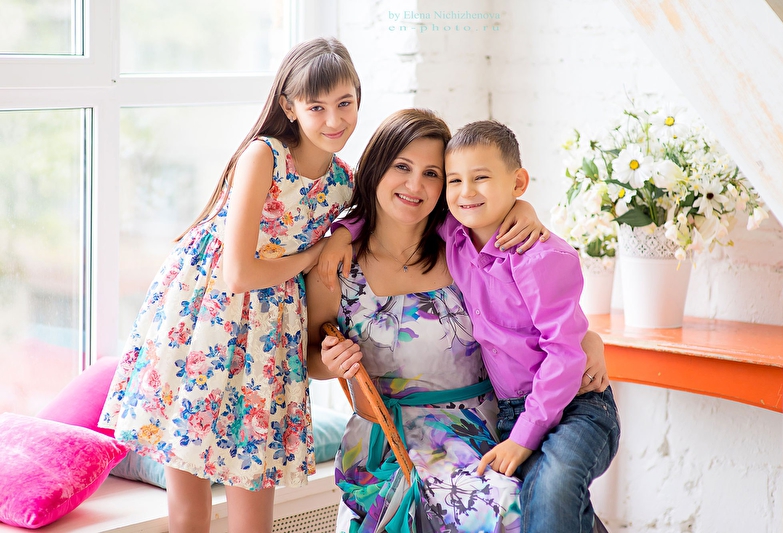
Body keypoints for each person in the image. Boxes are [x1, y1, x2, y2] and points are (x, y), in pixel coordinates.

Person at [98, 37, 362, 533]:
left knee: (253, 505)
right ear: (289, 107)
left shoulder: (344, 182)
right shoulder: (264, 156)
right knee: (190, 508)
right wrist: (315, 254)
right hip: (204, 315)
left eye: (345, 103)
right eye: (317, 107)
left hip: (270, 332)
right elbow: (238, 273)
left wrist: (343, 235)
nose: (334, 120)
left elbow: (374, 218)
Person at [306, 108, 609, 532]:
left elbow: (534, 315)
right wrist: (330, 362)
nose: (415, 185)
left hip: (499, 421)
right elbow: (310, 359)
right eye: (402, 167)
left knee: (548, 502)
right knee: (512, 512)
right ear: (376, 168)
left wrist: (522, 208)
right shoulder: (337, 265)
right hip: (403, 439)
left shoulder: (462, 244)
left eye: (432, 173)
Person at [444, 120, 621, 533]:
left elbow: (564, 352)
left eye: (481, 177)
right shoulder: (454, 238)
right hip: (513, 411)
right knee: (549, 505)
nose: (466, 191)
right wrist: (344, 234)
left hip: (577, 405)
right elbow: (394, 216)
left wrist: (523, 437)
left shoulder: (541, 257)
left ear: (518, 182)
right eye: (455, 180)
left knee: (554, 488)